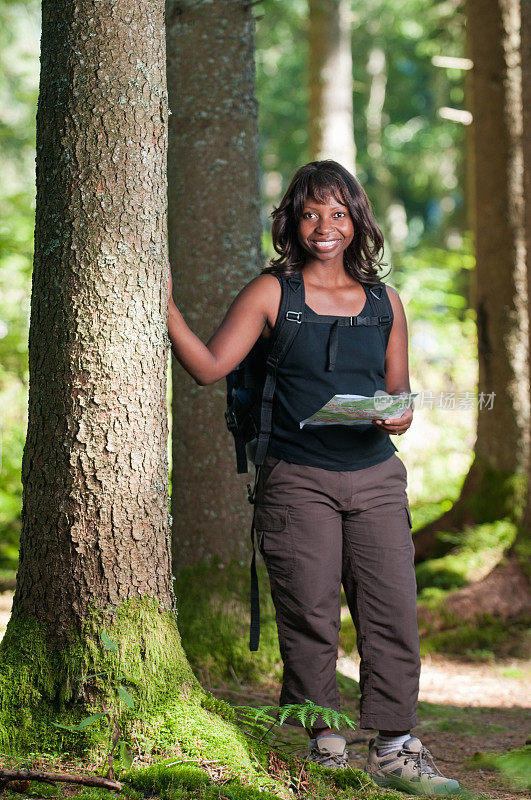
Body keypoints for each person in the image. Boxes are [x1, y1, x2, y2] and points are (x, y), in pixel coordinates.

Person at [166, 160, 460, 796]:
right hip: (298, 481)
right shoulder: (273, 293)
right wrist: (163, 309)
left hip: (377, 478)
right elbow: (211, 367)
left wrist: (399, 413)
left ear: (356, 222)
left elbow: (398, 391)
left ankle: (395, 749)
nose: (324, 226)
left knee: (393, 612)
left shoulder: (385, 302)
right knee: (309, 614)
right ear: (293, 223)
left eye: (337, 213)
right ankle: (325, 747)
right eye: (310, 214)